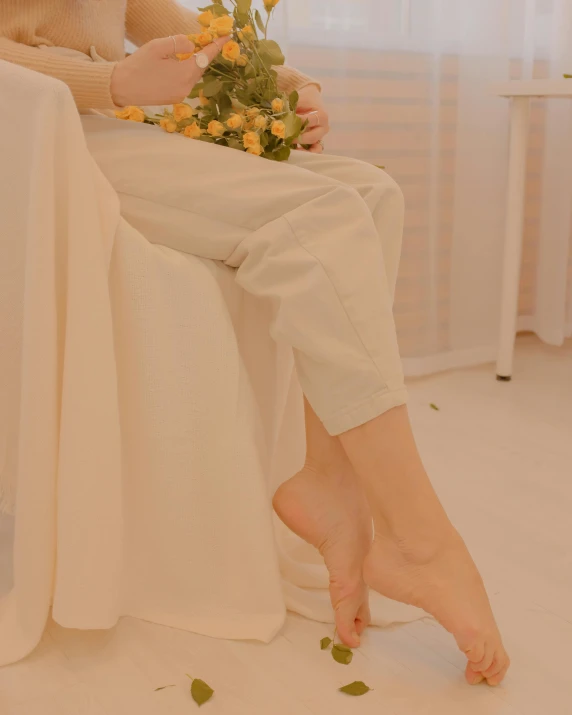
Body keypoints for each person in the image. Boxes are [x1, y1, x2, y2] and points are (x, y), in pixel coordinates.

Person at [0, 0, 510, 687]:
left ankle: (328, 482)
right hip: (36, 130)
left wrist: (293, 84)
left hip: (104, 120)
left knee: (371, 194)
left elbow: (170, 23)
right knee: (323, 217)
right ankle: (421, 541)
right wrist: (114, 84)